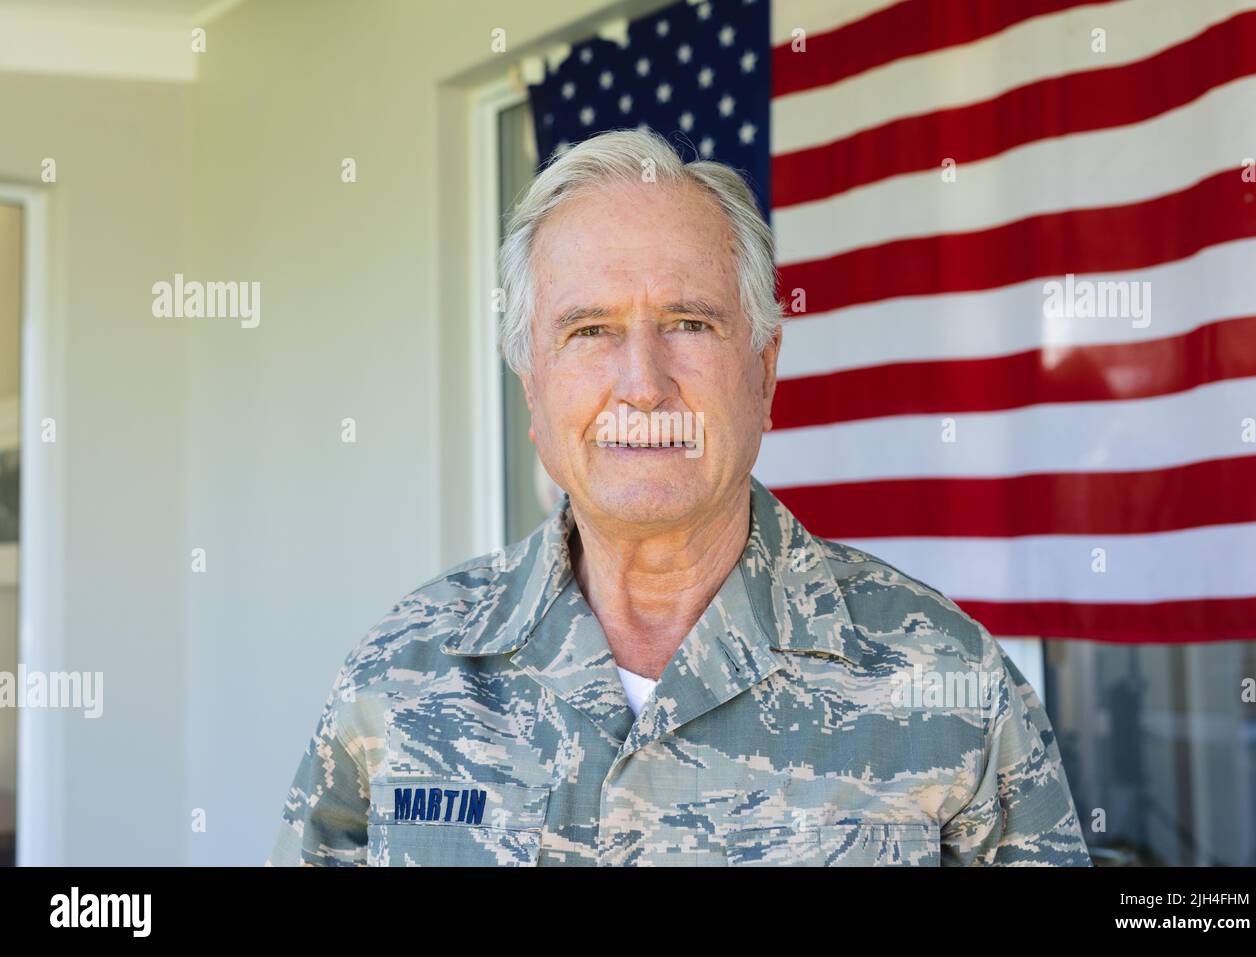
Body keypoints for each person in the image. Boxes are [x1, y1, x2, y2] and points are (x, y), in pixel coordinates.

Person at [266, 128, 1092, 866]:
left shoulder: (945, 678)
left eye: (689, 323)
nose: (643, 384)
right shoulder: (401, 677)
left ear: (763, 372)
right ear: (532, 388)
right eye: (589, 330)